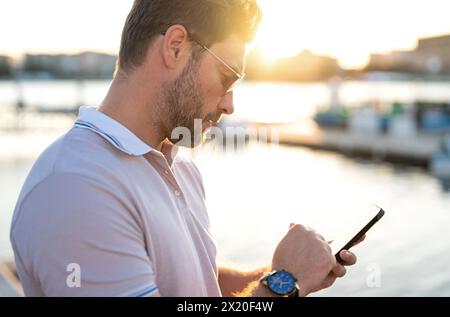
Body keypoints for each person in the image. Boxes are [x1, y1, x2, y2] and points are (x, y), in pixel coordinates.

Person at [10, 0, 362, 297]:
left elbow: (195, 285)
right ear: (175, 46)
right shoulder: (75, 187)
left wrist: (290, 270)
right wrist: (284, 283)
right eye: (226, 78)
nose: (229, 105)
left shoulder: (179, 167)